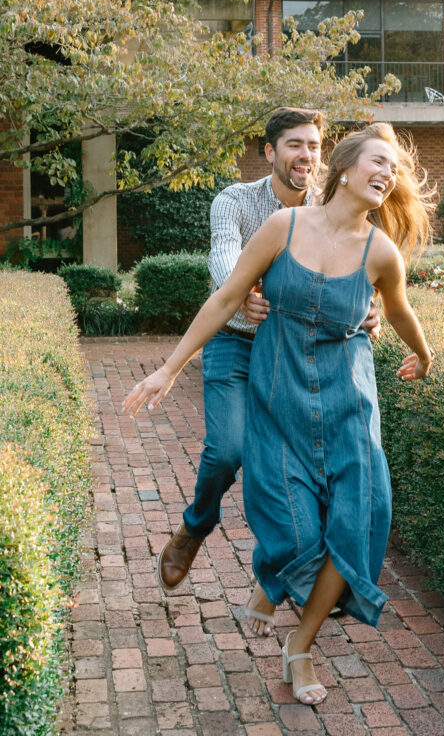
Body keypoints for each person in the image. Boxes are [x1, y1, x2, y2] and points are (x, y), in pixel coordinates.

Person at [124, 122, 434, 706]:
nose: (388, 174)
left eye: (393, 169)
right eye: (377, 162)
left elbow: (398, 310)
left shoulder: (381, 251)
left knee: (359, 519)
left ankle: (301, 644)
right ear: (344, 170)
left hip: (349, 404)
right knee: (288, 527)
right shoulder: (280, 225)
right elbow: (224, 294)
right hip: (279, 390)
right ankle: (264, 577)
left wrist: (423, 352)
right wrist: (168, 369)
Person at [146, 107, 379, 637]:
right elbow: (224, 260)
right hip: (235, 342)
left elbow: (362, 268)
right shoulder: (235, 201)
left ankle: (283, 578)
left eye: (314, 145)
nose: (306, 155)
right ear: (270, 151)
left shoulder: (331, 204)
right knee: (229, 450)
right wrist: (245, 289)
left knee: (303, 467)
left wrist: (372, 311)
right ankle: (194, 528)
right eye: (295, 144)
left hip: (296, 353)